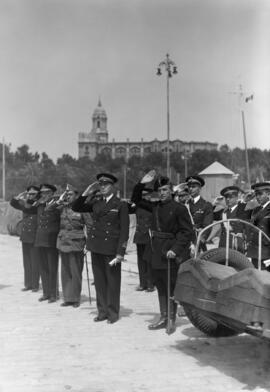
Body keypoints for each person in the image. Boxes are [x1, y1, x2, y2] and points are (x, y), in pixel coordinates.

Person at [132, 171, 194, 331]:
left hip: (170, 252)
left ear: (171, 190)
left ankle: (171, 319)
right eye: (159, 191)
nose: (162, 193)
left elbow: (187, 232)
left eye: (165, 190)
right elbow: (136, 199)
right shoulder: (154, 206)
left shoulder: (179, 208)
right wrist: (141, 183)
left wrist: (176, 249)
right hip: (155, 251)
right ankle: (163, 316)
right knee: (160, 284)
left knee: (171, 285)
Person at [72, 173, 129, 324]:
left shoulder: (120, 205)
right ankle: (102, 311)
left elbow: (124, 231)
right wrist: (86, 192)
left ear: (113, 187)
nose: (102, 187)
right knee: (100, 282)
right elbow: (76, 206)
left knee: (112, 282)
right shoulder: (96, 203)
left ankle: (113, 313)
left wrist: (120, 252)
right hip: (96, 246)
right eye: (100, 185)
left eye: (106, 185)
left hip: (111, 249)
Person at [26, 184, 61, 303]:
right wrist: (32, 199)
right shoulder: (39, 205)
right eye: (42, 193)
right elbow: (27, 207)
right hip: (40, 239)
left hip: (51, 240)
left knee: (52, 268)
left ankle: (53, 294)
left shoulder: (57, 205)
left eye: (46, 192)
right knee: (43, 267)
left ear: (52, 193)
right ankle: (46, 293)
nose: (43, 195)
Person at [54, 186, 87, 308]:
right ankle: (68, 298)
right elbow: (49, 210)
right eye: (66, 194)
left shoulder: (82, 208)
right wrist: (60, 200)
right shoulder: (62, 207)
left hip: (76, 243)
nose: (68, 196)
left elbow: (90, 225)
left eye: (70, 194)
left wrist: (88, 244)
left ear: (76, 196)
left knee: (76, 272)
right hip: (63, 242)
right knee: (65, 271)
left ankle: (75, 298)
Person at [10, 185, 41, 292]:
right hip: (25, 236)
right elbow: (13, 203)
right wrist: (19, 197)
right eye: (29, 193)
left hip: (35, 236)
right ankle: (28, 284)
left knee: (35, 262)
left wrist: (25, 201)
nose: (31, 195)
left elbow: (31, 209)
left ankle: (35, 285)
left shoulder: (39, 203)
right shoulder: (26, 202)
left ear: (38, 194)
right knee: (27, 262)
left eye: (33, 193)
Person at [130, 187, 154, 292]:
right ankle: (142, 283)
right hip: (140, 236)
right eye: (143, 195)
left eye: (146, 195)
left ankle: (150, 284)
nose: (144, 197)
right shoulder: (138, 206)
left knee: (149, 260)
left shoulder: (153, 206)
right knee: (141, 261)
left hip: (149, 236)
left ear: (150, 195)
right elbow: (133, 202)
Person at [214, 186, 252, 252]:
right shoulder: (223, 212)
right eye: (226, 197)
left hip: (237, 244)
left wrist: (247, 243)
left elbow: (248, 228)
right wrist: (214, 203)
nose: (228, 199)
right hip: (224, 244)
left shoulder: (243, 209)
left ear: (237, 197)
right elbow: (210, 215)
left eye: (231, 197)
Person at [186, 175, 213, 251]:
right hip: (185, 242)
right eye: (189, 187)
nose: (191, 189)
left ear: (200, 188)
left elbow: (208, 226)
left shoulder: (206, 205)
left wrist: (199, 241)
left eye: (194, 187)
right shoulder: (185, 204)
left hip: (198, 243)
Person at [247, 182, 270, 270]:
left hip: (266, 253)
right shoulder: (256, 210)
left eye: (260, 194)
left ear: (268, 194)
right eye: (256, 194)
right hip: (255, 252)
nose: (257, 197)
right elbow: (240, 217)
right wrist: (244, 201)